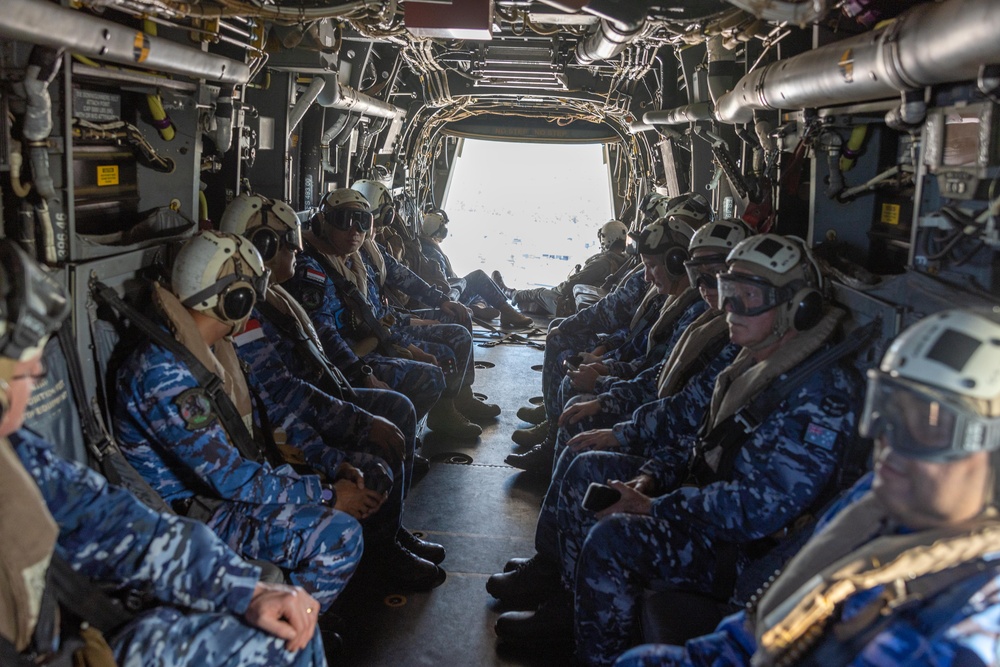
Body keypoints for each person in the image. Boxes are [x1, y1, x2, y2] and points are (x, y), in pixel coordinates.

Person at [490, 235, 864, 666]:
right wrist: (650, 475)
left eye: (749, 298)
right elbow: (700, 440)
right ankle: (565, 598)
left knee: (614, 539)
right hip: (703, 507)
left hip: (743, 553)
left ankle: (593, 653)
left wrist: (656, 507)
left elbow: (757, 510)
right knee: (588, 468)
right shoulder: (754, 361)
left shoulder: (821, 396)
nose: (729, 308)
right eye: (729, 294)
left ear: (799, 307)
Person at [0, 238, 327, 666]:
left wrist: (243, 586)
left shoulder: (18, 455)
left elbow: (109, 518)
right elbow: (228, 478)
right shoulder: (160, 371)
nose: (40, 374)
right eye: (26, 371)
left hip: (64, 627)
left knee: (283, 629)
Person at [616, 307, 1000, 667]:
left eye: (930, 426)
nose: (890, 441)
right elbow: (754, 635)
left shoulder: (976, 627)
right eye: (889, 410)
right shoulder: (875, 502)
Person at [114, 230, 365, 613]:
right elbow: (230, 479)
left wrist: (327, 473)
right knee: (340, 537)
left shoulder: (204, 353)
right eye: (253, 289)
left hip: (215, 499)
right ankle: (281, 638)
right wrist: (328, 494)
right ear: (235, 296)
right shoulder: (163, 372)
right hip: (191, 517)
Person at [219, 194, 446, 589]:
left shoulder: (273, 293)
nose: (298, 247)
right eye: (289, 240)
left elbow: (319, 337)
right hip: (297, 414)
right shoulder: (249, 313)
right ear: (264, 247)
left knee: (396, 411)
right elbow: (279, 393)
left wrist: (359, 382)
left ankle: (389, 532)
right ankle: (381, 548)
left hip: (318, 392)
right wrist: (357, 421)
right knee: (391, 419)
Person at [285, 189, 496, 440]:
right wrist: (365, 371)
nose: (355, 231)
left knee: (459, 324)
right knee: (441, 359)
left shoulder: (361, 251)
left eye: (363, 222)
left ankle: (457, 401)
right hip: (357, 349)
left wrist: (441, 300)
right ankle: (414, 430)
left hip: (382, 328)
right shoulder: (312, 269)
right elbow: (327, 336)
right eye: (344, 221)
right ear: (323, 223)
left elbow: (401, 276)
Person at [506, 215, 700, 474]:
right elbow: (638, 340)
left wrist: (603, 379)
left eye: (651, 266)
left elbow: (658, 380)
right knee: (569, 366)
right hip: (632, 376)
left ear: (677, 263)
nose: (645, 277)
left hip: (652, 411)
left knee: (572, 382)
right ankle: (553, 434)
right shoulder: (668, 301)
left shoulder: (690, 312)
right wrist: (603, 360)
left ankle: (554, 443)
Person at [492, 219, 629, 318]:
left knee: (538, 293)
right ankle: (524, 306)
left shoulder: (602, 262)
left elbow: (568, 287)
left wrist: (552, 293)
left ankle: (508, 293)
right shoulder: (625, 261)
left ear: (607, 238)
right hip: (592, 306)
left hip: (573, 309)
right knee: (537, 301)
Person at [418, 209, 533, 327]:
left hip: (445, 297)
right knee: (478, 277)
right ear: (440, 232)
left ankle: (479, 307)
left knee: (482, 291)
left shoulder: (425, 246)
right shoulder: (432, 253)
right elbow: (442, 284)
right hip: (445, 302)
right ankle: (506, 311)